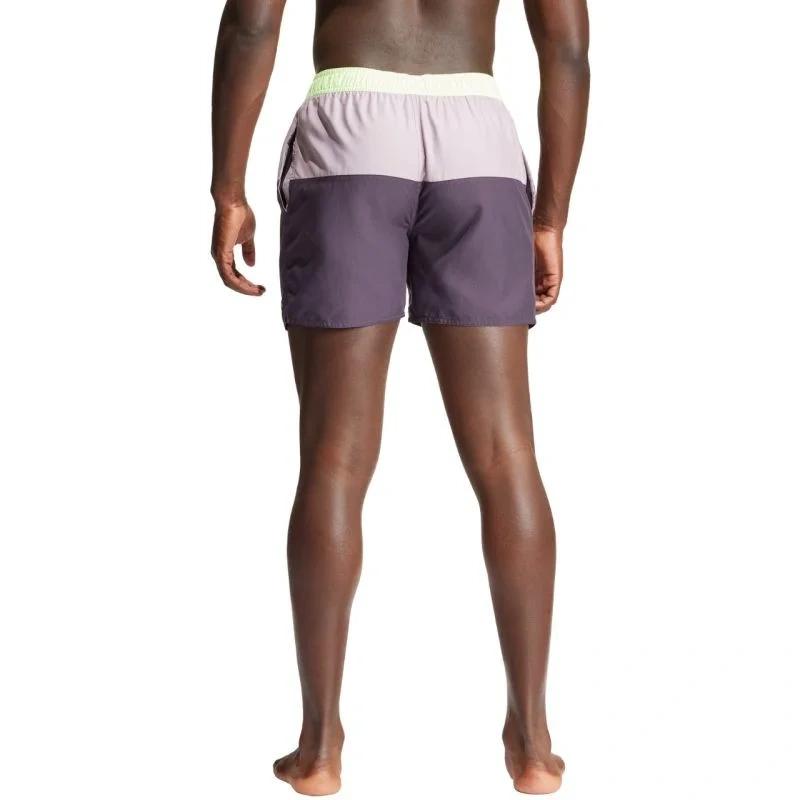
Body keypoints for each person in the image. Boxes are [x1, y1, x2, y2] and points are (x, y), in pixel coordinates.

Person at [210, 0, 589, 794]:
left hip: (349, 131)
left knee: (335, 458)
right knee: (508, 456)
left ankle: (319, 749)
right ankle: (532, 741)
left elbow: (251, 25)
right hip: (478, 137)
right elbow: (566, 48)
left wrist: (228, 188)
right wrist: (550, 217)